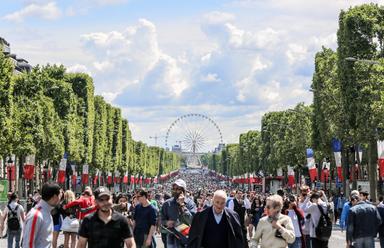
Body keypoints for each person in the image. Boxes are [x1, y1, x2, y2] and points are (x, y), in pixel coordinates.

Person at [22, 182, 62, 248]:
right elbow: (28, 244)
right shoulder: (36, 215)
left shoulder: (46, 212)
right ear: (55, 197)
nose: (61, 198)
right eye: (60, 195)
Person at [160, 179, 196, 248]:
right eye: (174, 189)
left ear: (183, 191)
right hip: (171, 238)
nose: (175, 191)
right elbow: (161, 220)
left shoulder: (190, 204)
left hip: (186, 238)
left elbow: (192, 221)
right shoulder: (167, 204)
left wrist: (182, 205)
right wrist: (167, 222)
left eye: (178, 189)